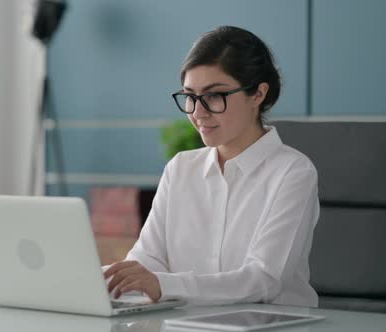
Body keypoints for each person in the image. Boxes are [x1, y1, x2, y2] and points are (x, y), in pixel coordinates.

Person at [103, 26, 319, 307]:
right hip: (190, 324)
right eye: (190, 96)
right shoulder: (180, 168)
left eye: (214, 96)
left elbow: (263, 279)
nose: (197, 112)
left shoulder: (293, 172)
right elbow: (148, 260)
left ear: (258, 94)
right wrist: (107, 280)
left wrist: (163, 285)